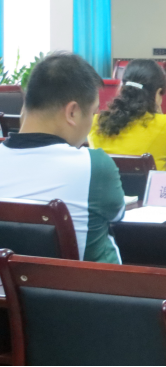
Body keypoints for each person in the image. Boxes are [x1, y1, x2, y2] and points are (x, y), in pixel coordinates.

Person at [0, 53, 125, 264]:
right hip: (84, 285)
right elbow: (117, 215)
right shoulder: (93, 165)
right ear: (72, 112)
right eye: (93, 113)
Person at [89, 59, 166, 173]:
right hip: (147, 188)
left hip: (106, 187)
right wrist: (160, 118)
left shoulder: (96, 122)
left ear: (122, 88)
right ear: (157, 93)